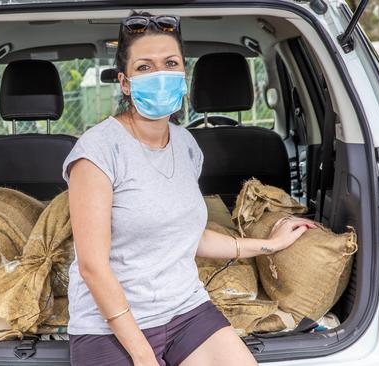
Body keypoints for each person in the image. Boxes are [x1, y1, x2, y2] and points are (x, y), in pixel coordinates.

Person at [61, 12, 316, 366]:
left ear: (184, 76)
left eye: (170, 64)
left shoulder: (186, 145)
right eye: (145, 68)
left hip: (185, 310)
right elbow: (92, 267)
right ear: (125, 83)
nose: (160, 75)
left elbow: (188, 236)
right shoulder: (99, 150)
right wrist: (143, 354)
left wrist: (268, 244)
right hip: (110, 326)